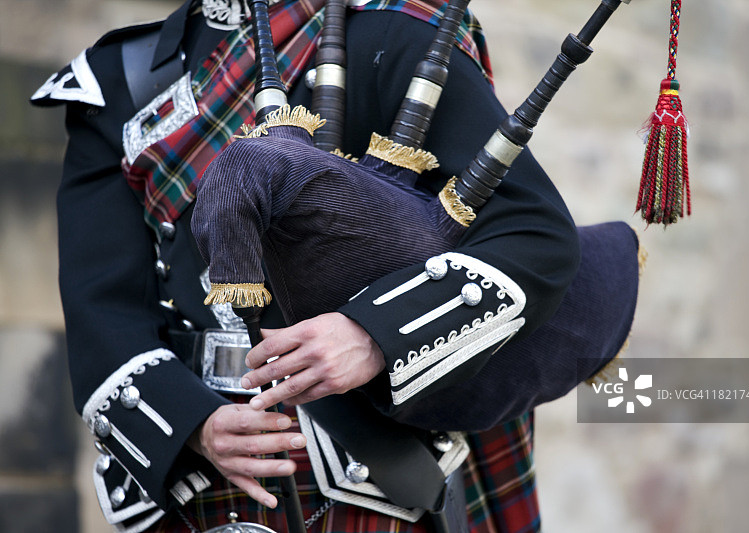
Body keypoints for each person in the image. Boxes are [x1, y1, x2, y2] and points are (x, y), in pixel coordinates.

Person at [32, 0, 584, 531]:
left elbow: (533, 238)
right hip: (196, 469)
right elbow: (99, 303)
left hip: (372, 466)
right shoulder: (115, 81)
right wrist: (193, 425)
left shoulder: (398, 34)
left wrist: (372, 334)